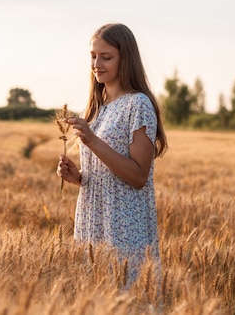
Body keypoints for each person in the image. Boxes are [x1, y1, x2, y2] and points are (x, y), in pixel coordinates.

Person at [57, 23, 167, 284]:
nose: (97, 63)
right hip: (92, 219)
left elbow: (139, 175)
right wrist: (79, 177)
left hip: (123, 227)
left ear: (125, 59)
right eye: (93, 56)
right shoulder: (95, 108)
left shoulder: (138, 104)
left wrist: (92, 141)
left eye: (106, 57)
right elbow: (107, 171)